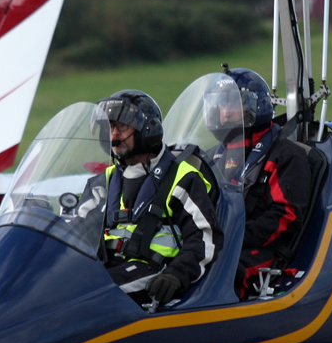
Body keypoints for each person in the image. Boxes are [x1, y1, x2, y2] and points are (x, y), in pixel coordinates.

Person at [81, 89, 221, 307]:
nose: (114, 135)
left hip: (155, 272)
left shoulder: (183, 178)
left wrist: (176, 275)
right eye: (109, 128)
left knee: (88, 297)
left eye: (121, 126)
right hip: (104, 267)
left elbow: (204, 238)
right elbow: (75, 233)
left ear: (147, 129)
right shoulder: (102, 183)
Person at [203, 68, 312, 297]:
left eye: (232, 104)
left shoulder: (285, 155)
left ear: (255, 105)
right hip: (219, 242)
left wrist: (231, 238)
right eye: (220, 105)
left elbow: (285, 218)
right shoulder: (212, 157)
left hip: (263, 250)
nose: (224, 113)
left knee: (220, 271)